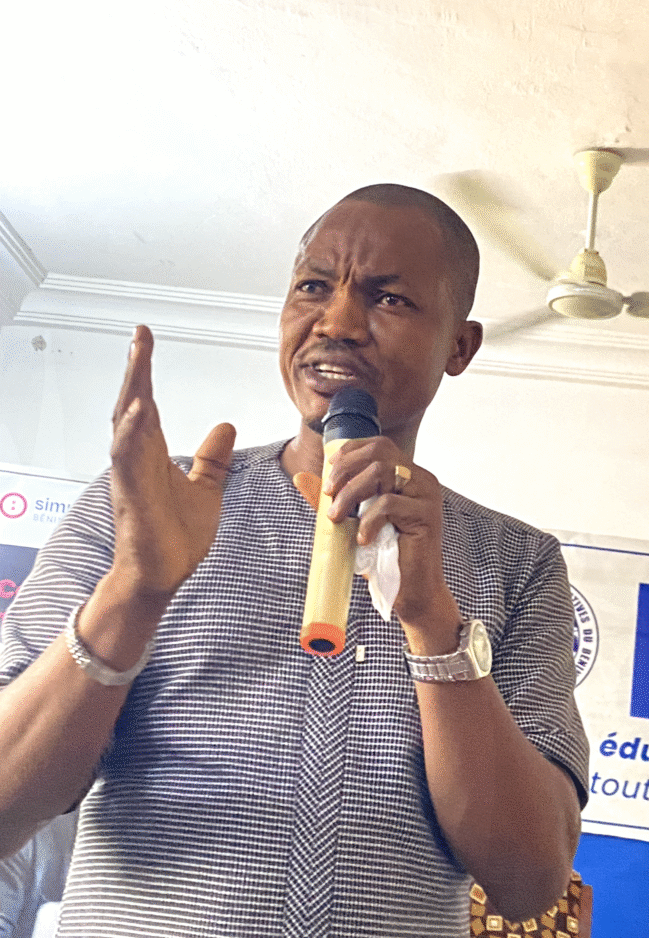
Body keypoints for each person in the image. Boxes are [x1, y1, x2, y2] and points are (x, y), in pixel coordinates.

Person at [0, 184, 588, 938]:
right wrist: (135, 590)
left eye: (390, 298)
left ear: (458, 346)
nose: (336, 322)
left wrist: (435, 626)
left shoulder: (519, 562)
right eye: (313, 286)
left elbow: (530, 881)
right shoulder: (147, 506)